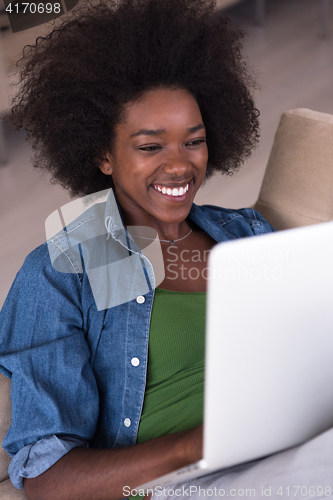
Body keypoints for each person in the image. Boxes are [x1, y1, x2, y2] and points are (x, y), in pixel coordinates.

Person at [1, 1, 332, 499]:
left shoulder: (245, 233)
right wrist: (197, 446)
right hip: (184, 483)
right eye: (150, 146)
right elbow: (49, 481)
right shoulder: (63, 269)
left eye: (193, 141)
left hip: (296, 448)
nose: (179, 166)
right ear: (103, 155)